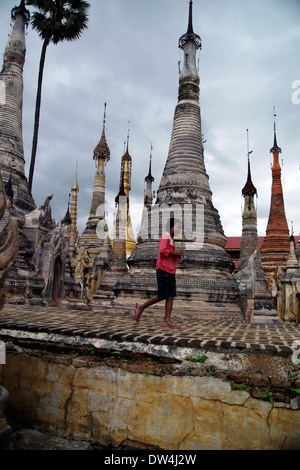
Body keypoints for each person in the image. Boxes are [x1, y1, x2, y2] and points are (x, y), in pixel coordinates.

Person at [133, 217, 183, 328]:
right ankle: (141, 307)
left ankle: (167, 320)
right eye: (178, 227)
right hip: (163, 269)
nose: (179, 230)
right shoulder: (165, 236)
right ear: (171, 227)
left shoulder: (171, 239)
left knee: (170, 295)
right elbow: (162, 250)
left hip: (170, 269)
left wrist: (177, 255)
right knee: (162, 295)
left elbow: (169, 253)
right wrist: (175, 253)